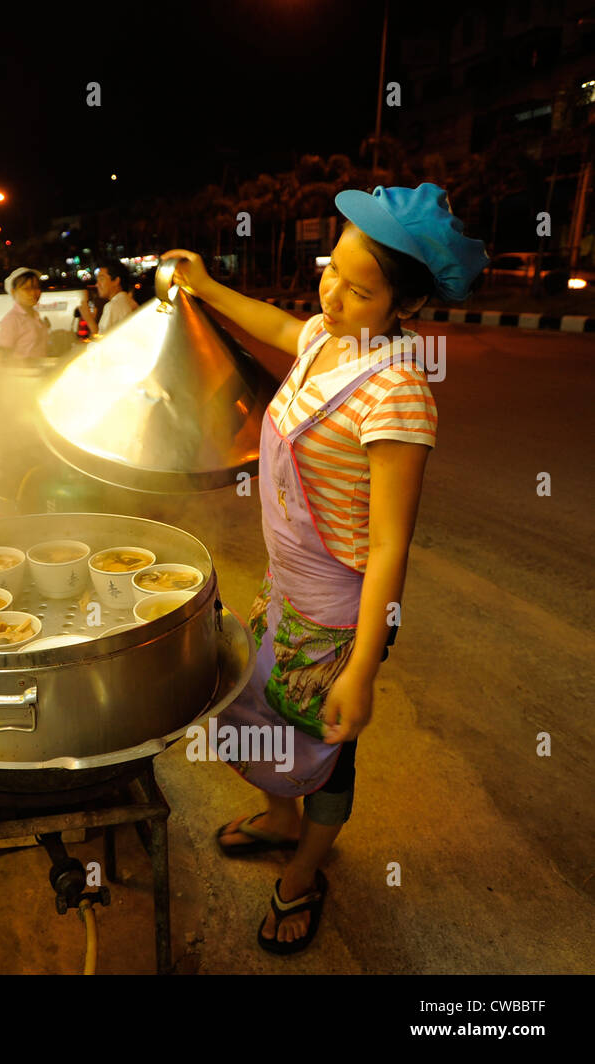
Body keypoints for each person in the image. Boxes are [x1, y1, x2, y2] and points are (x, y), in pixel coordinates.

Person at [164, 183, 487, 955]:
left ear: (403, 302)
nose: (332, 292)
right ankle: (280, 818)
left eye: (360, 287)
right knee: (261, 711)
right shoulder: (326, 337)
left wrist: (363, 668)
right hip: (288, 588)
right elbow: (280, 324)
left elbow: (388, 547)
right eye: (331, 268)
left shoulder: (397, 391)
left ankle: (307, 869)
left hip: (342, 610)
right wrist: (206, 287)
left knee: (325, 743)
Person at [0, 267, 50, 361]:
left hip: (39, 371)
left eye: (36, 288)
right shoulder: (12, 320)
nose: (33, 293)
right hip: (21, 373)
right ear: (13, 292)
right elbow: (2, 354)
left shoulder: (35, 316)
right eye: (26, 289)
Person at [80, 260, 137, 336]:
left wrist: (89, 319)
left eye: (101, 279)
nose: (97, 285)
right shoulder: (131, 302)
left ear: (116, 281)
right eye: (97, 280)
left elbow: (102, 343)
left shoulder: (112, 306)